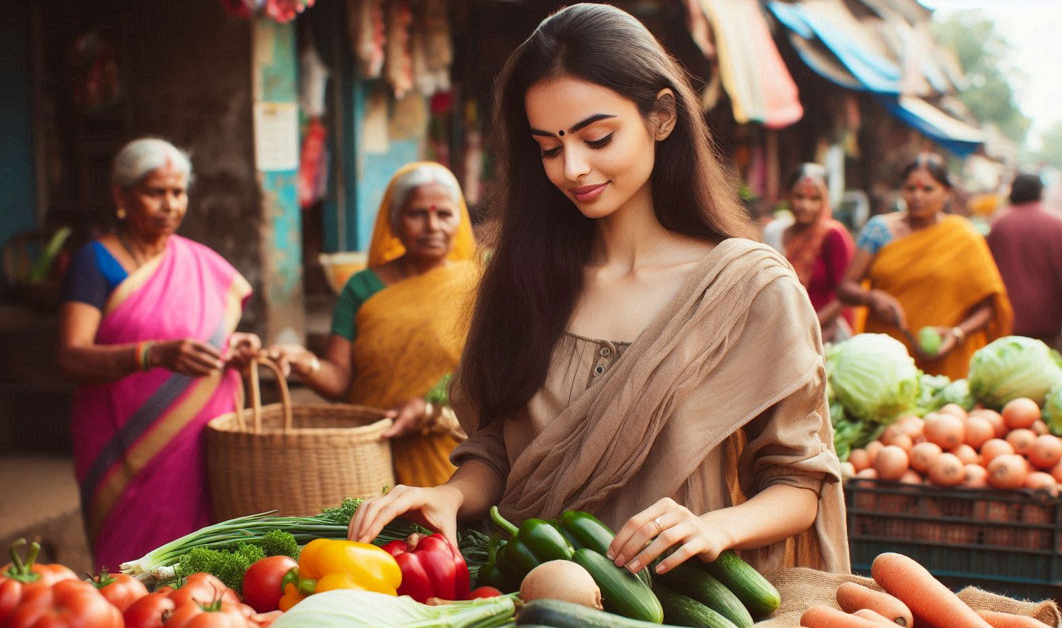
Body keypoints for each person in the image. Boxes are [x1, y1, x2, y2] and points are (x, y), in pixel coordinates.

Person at [347, 3, 848, 577]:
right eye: (550, 148)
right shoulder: (521, 278)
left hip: (683, 601)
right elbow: (496, 448)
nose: (573, 169)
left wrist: (714, 527)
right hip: (529, 601)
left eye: (598, 137)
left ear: (662, 117)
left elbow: (799, 483)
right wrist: (454, 495)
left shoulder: (746, 289)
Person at [57, 138, 260, 570]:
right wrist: (153, 355)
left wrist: (235, 351)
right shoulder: (94, 263)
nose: (170, 204)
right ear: (121, 196)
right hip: (120, 442)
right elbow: (71, 356)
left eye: (178, 192)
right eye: (155, 192)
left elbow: (209, 342)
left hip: (197, 443)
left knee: (201, 565)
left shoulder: (200, 263)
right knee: (131, 570)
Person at [268, 162, 479, 487]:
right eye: (417, 213)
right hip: (370, 454)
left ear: (459, 222)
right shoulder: (361, 288)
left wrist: (431, 411)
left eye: (444, 214)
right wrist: (303, 362)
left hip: (453, 456)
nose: (432, 225)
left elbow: (493, 376)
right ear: (394, 222)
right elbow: (340, 380)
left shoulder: (479, 285)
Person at [837, 154, 1012, 379]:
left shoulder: (964, 236)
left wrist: (957, 333)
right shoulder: (879, 230)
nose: (918, 196)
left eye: (928, 189)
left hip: (946, 359)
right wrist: (871, 298)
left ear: (946, 192)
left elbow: (989, 306)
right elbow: (845, 288)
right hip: (885, 360)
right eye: (910, 189)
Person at [987, 173, 1062, 360]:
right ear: (1041, 192)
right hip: (1049, 313)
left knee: (1015, 363)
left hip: (1009, 312)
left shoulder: (999, 223)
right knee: (1049, 362)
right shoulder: (1057, 222)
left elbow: (987, 269)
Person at [763, 163, 854, 343]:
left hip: (823, 333)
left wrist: (810, 326)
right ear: (787, 195)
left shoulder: (833, 235)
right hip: (781, 330)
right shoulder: (774, 232)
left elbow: (845, 294)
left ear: (825, 200)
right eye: (799, 196)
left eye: (814, 199)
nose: (805, 205)